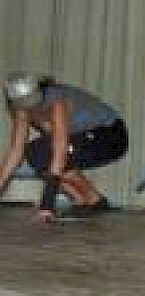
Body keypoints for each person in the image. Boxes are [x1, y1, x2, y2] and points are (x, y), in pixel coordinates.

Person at [0, 73, 127, 221]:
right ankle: (82, 201)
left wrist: (47, 205)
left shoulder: (56, 100)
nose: (32, 108)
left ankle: (94, 200)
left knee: (44, 152)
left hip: (110, 136)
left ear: (38, 92)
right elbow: (16, 151)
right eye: (25, 104)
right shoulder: (22, 110)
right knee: (34, 153)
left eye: (33, 102)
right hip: (83, 138)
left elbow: (60, 149)